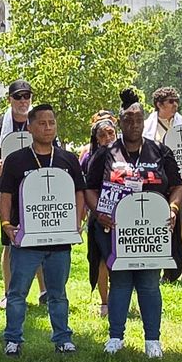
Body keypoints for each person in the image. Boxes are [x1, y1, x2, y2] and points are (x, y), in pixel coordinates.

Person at [84, 101, 182, 358]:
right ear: (120, 122)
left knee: (150, 282)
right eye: (128, 120)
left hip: (151, 230)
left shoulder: (160, 151)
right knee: (120, 281)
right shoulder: (106, 153)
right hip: (114, 229)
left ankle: (153, 340)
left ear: (143, 121)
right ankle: (115, 337)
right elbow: (89, 189)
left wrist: (172, 209)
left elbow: (178, 185)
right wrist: (99, 213)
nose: (134, 125)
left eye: (138, 119)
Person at [0, 103, 86, 356]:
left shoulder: (67, 159)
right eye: (42, 123)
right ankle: (13, 339)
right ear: (30, 127)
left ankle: (62, 338)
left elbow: (79, 192)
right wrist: (6, 224)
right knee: (17, 292)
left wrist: (77, 221)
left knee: (58, 293)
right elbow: (5, 195)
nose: (48, 128)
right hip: (26, 241)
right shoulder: (16, 160)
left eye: (52, 123)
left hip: (59, 241)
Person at [0, 79, 45, 308]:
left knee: (37, 239)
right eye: (18, 97)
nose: (23, 101)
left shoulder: (38, 123)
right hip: (7, 191)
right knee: (9, 242)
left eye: (26, 96)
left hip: (37, 190)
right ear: (10, 99)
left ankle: (44, 291)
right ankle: (9, 293)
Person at [144, 87, 182, 283]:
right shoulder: (147, 128)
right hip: (158, 184)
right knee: (160, 226)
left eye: (176, 101)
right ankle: (161, 269)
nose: (175, 104)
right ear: (159, 104)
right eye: (170, 101)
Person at [81, 111, 118, 317]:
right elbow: (87, 188)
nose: (107, 139)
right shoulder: (91, 157)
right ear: (96, 138)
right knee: (102, 259)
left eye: (111, 133)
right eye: (102, 135)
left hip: (122, 214)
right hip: (100, 215)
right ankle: (104, 302)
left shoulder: (126, 155)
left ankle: (124, 299)